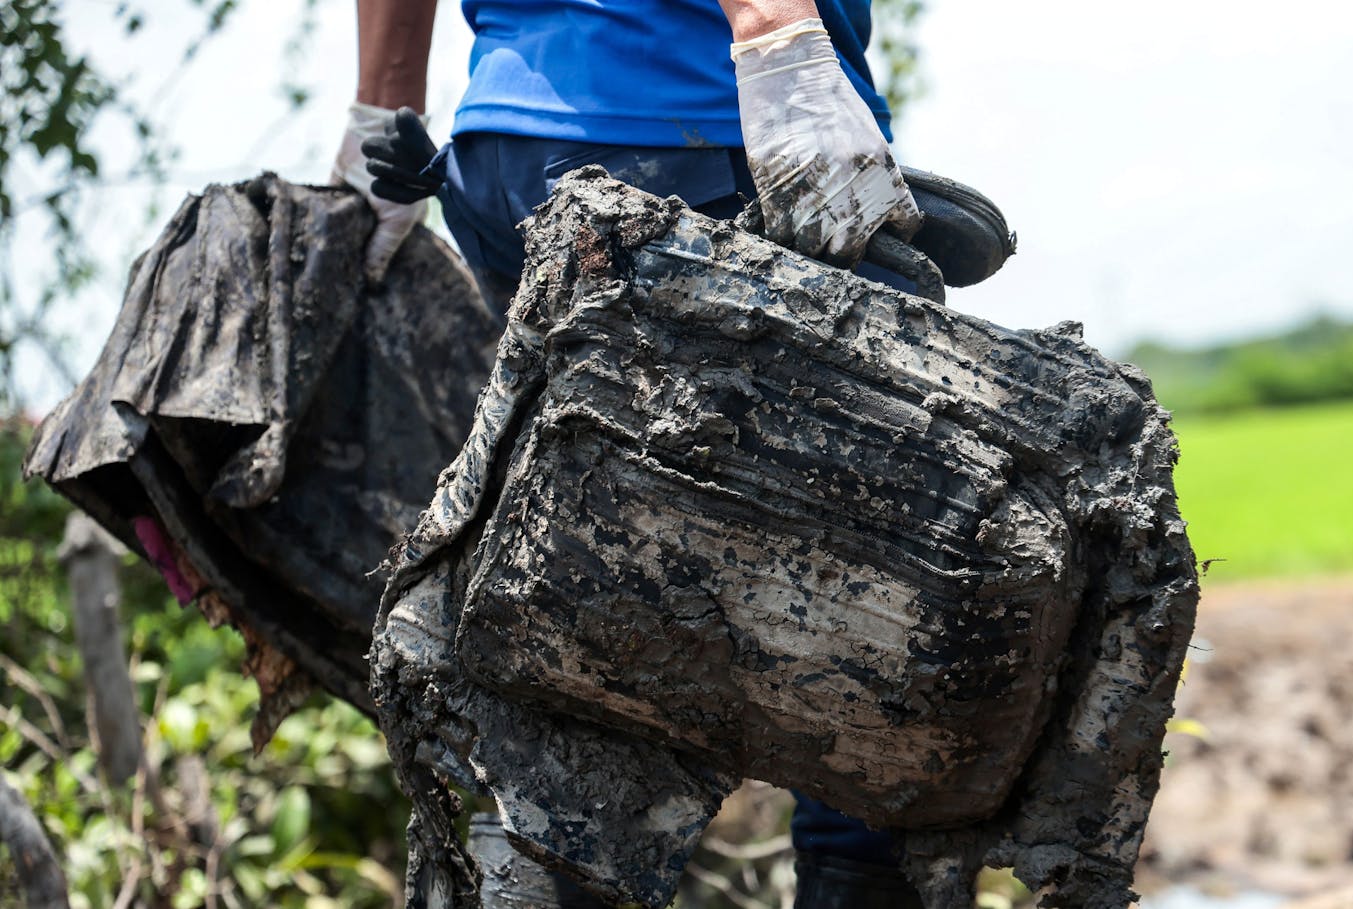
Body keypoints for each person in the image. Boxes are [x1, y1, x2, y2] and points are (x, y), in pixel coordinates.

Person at [332, 2, 928, 906]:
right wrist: (776, 33)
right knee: (882, 583)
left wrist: (380, 112)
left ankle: (546, 862)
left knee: (596, 583)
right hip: (685, 114)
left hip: (504, 153)